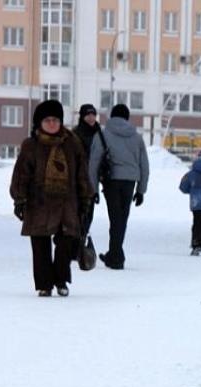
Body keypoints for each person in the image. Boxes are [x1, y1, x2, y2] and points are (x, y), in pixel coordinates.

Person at [11, 100, 93, 297]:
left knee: (65, 245)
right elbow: (21, 174)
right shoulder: (31, 145)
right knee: (40, 246)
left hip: (67, 202)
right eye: (47, 120)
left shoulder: (72, 143)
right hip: (39, 202)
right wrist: (19, 198)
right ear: (39, 122)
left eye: (55, 120)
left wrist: (86, 197)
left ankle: (61, 280)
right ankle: (44, 284)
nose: (52, 124)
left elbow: (82, 172)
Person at [88, 104, 149, 270]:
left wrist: (93, 189)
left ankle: (115, 256)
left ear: (111, 116)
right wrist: (141, 190)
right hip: (130, 181)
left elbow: (93, 163)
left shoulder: (103, 135)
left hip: (111, 180)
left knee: (115, 218)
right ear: (127, 117)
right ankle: (116, 254)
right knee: (122, 218)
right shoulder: (136, 137)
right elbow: (144, 164)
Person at [72, 104, 102, 244]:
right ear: (82, 116)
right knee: (78, 212)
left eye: (93, 115)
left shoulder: (99, 133)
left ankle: (81, 240)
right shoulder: (75, 133)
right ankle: (76, 241)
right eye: (88, 115)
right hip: (78, 178)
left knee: (89, 213)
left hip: (93, 178)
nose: (91, 118)